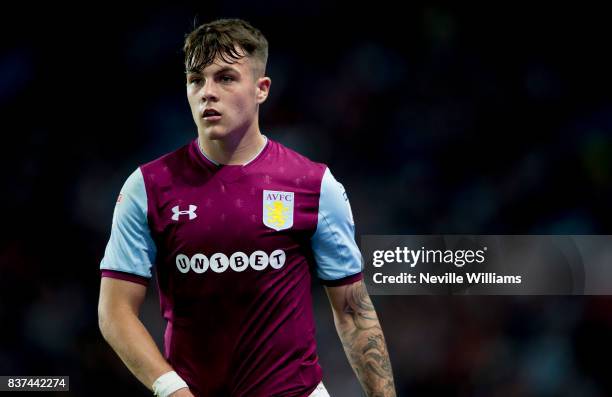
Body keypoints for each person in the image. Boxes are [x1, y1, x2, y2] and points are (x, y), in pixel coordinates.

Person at [98, 18, 396, 397]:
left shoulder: (314, 184)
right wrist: (172, 390)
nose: (207, 92)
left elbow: (353, 311)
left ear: (261, 89)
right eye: (195, 79)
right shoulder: (148, 187)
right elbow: (114, 311)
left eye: (225, 78)